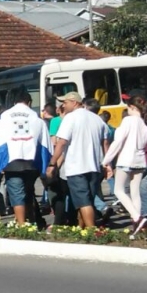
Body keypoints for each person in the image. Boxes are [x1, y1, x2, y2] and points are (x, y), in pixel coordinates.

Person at [0, 91, 51, 227]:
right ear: (29, 102)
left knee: (16, 194)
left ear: (14, 102)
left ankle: (21, 224)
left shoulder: (4, 119)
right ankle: (31, 221)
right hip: (31, 163)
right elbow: (45, 144)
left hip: (12, 163)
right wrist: (46, 164)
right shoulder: (37, 120)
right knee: (29, 192)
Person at [102, 96, 147, 237]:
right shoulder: (146, 123)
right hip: (140, 162)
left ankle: (136, 217)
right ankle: (137, 223)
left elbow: (118, 141)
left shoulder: (128, 120)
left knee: (118, 190)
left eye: (128, 107)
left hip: (126, 160)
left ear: (133, 107)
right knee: (135, 193)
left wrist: (106, 159)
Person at [49, 92, 106, 228]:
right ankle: (82, 228)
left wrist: (52, 163)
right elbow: (105, 143)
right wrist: (107, 163)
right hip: (95, 166)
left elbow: (61, 142)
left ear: (74, 102)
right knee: (87, 200)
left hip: (77, 166)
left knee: (83, 202)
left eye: (65, 102)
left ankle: (91, 231)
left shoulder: (70, 118)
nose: (63, 105)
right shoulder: (97, 118)